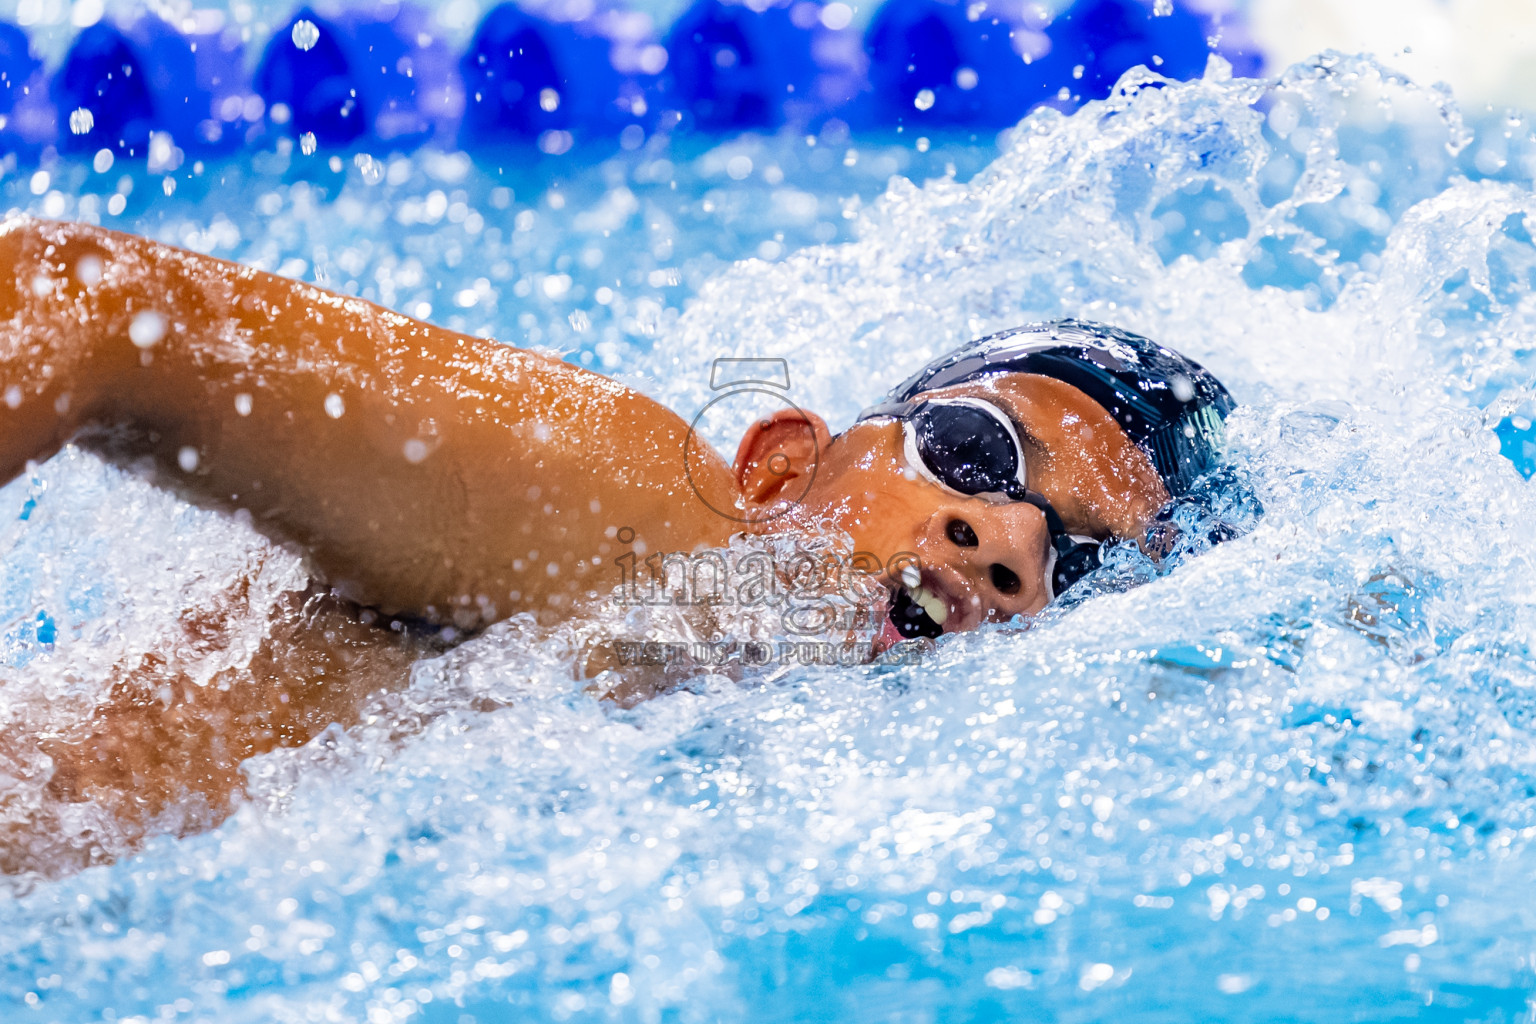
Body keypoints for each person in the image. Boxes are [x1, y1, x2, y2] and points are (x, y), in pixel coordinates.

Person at [0, 215, 1235, 871]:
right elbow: (91, 304)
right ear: (781, 461)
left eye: (1075, 566)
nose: (1006, 543)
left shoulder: (753, 748)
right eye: (975, 455)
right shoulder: (657, 518)